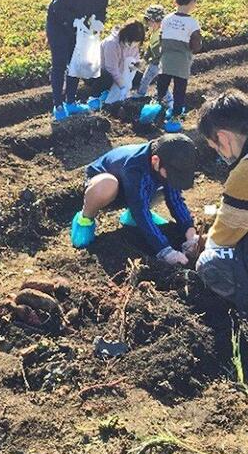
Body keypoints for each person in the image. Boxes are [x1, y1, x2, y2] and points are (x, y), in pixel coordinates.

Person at [71, 134, 199, 266]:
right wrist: (165, 250)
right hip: (107, 185)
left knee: (166, 186)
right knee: (107, 184)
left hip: (136, 189)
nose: (174, 177)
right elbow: (140, 210)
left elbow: (175, 199)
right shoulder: (135, 165)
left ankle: (130, 217)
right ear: (155, 161)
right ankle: (85, 219)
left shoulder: (168, 161)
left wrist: (190, 234)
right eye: (171, 174)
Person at [46, 0, 120, 121]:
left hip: (81, 29)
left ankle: (71, 101)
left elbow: (101, 10)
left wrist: (99, 21)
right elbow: (56, 8)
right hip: (58, 26)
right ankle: (58, 105)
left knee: (76, 62)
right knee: (59, 64)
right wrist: (74, 20)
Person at [196, 91, 248, 317]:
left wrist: (200, 245)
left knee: (210, 261)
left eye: (216, 146)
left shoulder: (244, 172)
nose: (219, 153)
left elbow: (219, 241)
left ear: (223, 137)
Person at [157, 0, 202, 133]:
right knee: (179, 90)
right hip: (182, 62)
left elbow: (161, 37)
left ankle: (159, 109)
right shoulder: (192, 23)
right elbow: (196, 45)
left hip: (166, 60)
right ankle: (175, 116)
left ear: (176, 1)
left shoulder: (167, 19)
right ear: (192, 2)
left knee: (162, 86)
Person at [86, 20, 145, 111]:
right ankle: (95, 97)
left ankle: (113, 90)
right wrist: (122, 86)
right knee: (107, 77)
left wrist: (136, 65)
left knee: (140, 77)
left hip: (119, 71)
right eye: (131, 42)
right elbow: (111, 68)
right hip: (98, 71)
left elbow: (134, 59)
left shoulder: (133, 44)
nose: (133, 45)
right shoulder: (111, 44)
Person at [133, 4, 172, 107]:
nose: (149, 24)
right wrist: (145, 59)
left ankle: (170, 101)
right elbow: (151, 47)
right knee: (146, 79)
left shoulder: (163, 34)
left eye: (150, 21)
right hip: (154, 62)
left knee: (159, 83)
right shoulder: (154, 32)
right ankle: (141, 94)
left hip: (161, 64)